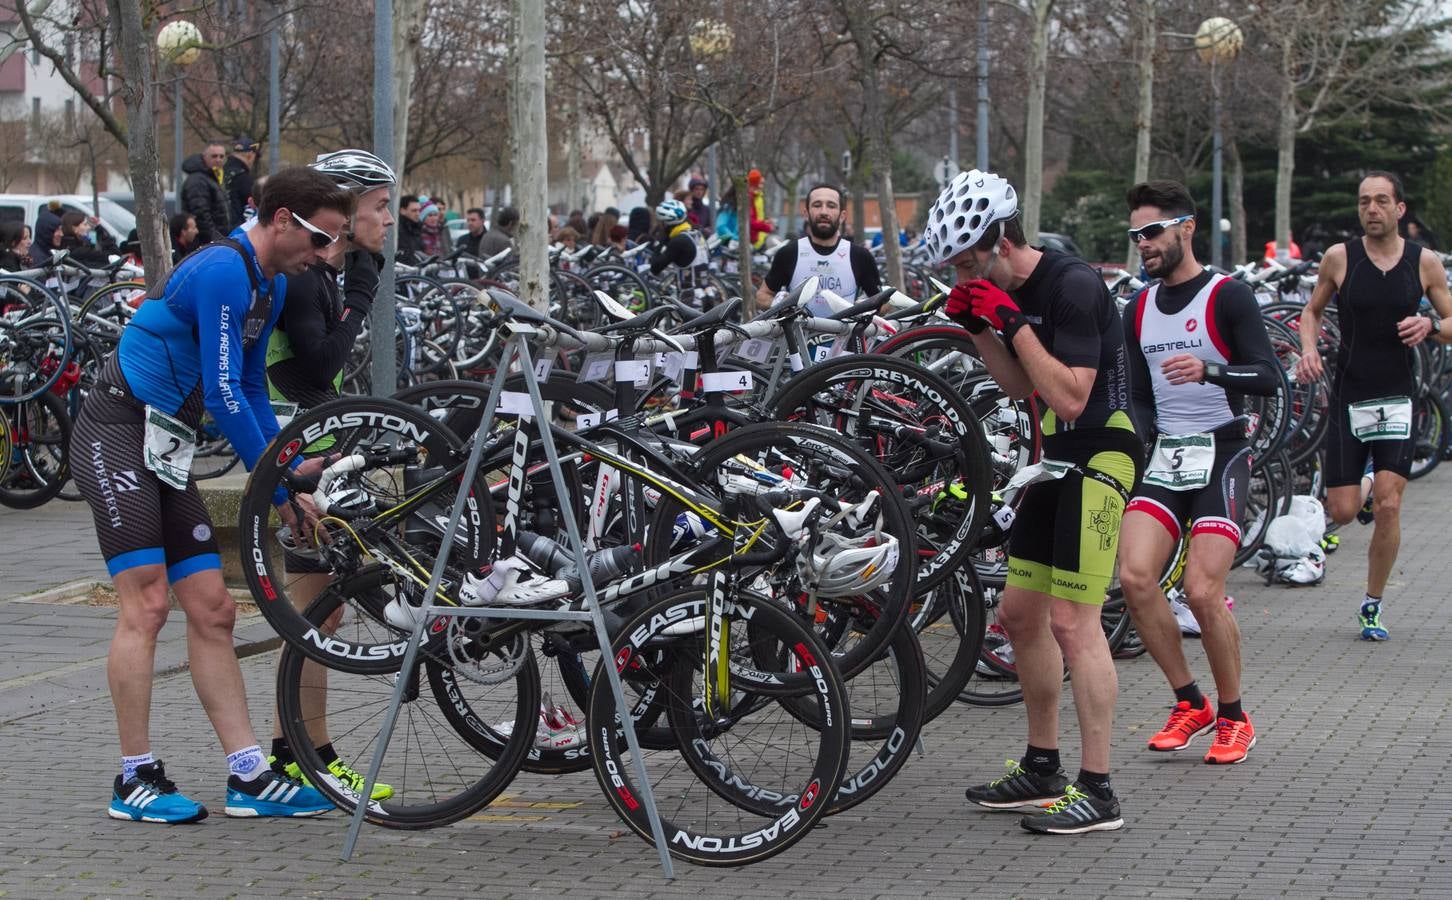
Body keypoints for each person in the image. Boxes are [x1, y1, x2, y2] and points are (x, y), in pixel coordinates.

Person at [70, 165, 353, 824]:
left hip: (164, 446)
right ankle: (135, 780)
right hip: (116, 429)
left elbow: (253, 390)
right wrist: (280, 489)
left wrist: (286, 471)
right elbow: (224, 395)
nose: (326, 255)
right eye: (321, 238)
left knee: (215, 609)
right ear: (282, 219)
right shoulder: (225, 271)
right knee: (147, 604)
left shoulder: (273, 285)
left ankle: (248, 775)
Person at [934, 170, 1142, 835]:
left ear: (1000, 240)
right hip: (1058, 457)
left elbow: (1072, 396)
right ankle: (1042, 765)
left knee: (1075, 623)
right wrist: (981, 330)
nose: (964, 271)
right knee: (1021, 614)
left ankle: (1100, 789)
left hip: (1103, 451)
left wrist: (1012, 321)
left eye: (969, 261)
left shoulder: (1073, 285)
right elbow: (1021, 382)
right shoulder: (1014, 293)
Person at [1116, 181, 1281, 766]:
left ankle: (1234, 716)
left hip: (1223, 450)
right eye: (1136, 235)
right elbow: (1136, 395)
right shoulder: (1136, 307)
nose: (1144, 244)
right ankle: (1191, 702)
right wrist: (1134, 439)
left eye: (1153, 232)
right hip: (1167, 456)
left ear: (1186, 227)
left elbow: (1267, 377)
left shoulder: (1227, 297)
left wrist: (1211, 371)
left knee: (1203, 589)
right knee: (1135, 578)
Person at [262, 150, 397, 801]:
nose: (390, 220)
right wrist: (363, 300)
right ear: (345, 211)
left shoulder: (330, 274)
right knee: (313, 613)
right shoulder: (305, 280)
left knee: (322, 615)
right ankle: (298, 757)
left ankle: (302, 754)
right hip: (296, 455)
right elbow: (317, 367)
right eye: (380, 206)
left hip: (316, 447)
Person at [1296, 171, 1452, 641]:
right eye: (1364, 201)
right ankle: (1361, 484)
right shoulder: (1340, 258)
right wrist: (1307, 349)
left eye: (1382, 201)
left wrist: (1429, 326)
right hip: (1350, 391)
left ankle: (1372, 603)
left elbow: (1451, 320)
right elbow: (1311, 311)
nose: (1372, 209)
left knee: (1389, 505)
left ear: (1400, 208)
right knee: (1343, 510)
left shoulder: (1424, 263)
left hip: (1398, 394)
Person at [756, 182, 880, 311]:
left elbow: (882, 302)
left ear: (842, 216)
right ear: (806, 214)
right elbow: (762, 296)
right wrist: (778, 304)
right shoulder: (789, 253)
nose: (823, 212)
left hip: (845, 331)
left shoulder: (860, 256)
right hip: (799, 330)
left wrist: (863, 308)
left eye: (831, 206)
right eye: (817, 205)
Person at [648, 198, 711, 295]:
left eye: (660, 222)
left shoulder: (678, 241)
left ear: (665, 223)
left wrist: (661, 241)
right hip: (707, 293)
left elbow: (655, 268)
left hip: (690, 299)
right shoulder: (697, 234)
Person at [223, 136, 259, 230]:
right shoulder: (244, 178)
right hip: (238, 230)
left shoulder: (221, 173)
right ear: (250, 155)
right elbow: (252, 207)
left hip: (221, 228)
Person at [746, 168, 774, 249]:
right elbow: (750, 221)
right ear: (756, 182)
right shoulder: (750, 197)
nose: (763, 180)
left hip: (759, 238)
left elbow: (755, 218)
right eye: (760, 179)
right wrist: (767, 227)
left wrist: (765, 222)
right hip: (753, 240)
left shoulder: (758, 196)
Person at [32, 200, 63, 265]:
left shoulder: (51, 253)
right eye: (57, 230)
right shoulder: (37, 259)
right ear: (47, 232)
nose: (61, 234)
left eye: (61, 230)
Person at [395, 194, 424, 262]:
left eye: (419, 210)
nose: (417, 214)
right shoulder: (396, 230)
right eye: (414, 210)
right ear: (402, 211)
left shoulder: (418, 228)